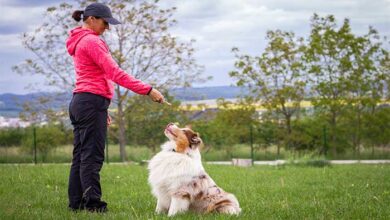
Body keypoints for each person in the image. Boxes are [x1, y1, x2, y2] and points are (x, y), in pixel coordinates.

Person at [66, 2, 165, 212]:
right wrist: (148, 90)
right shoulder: (92, 41)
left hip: (82, 102)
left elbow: (95, 77)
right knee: (92, 157)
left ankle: (76, 204)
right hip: (90, 102)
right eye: (105, 22)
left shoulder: (79, 40)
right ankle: (93, 206)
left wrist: (102, 108)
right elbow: (115, 73)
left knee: (81, 156)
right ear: (91, 19)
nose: (107, 28)